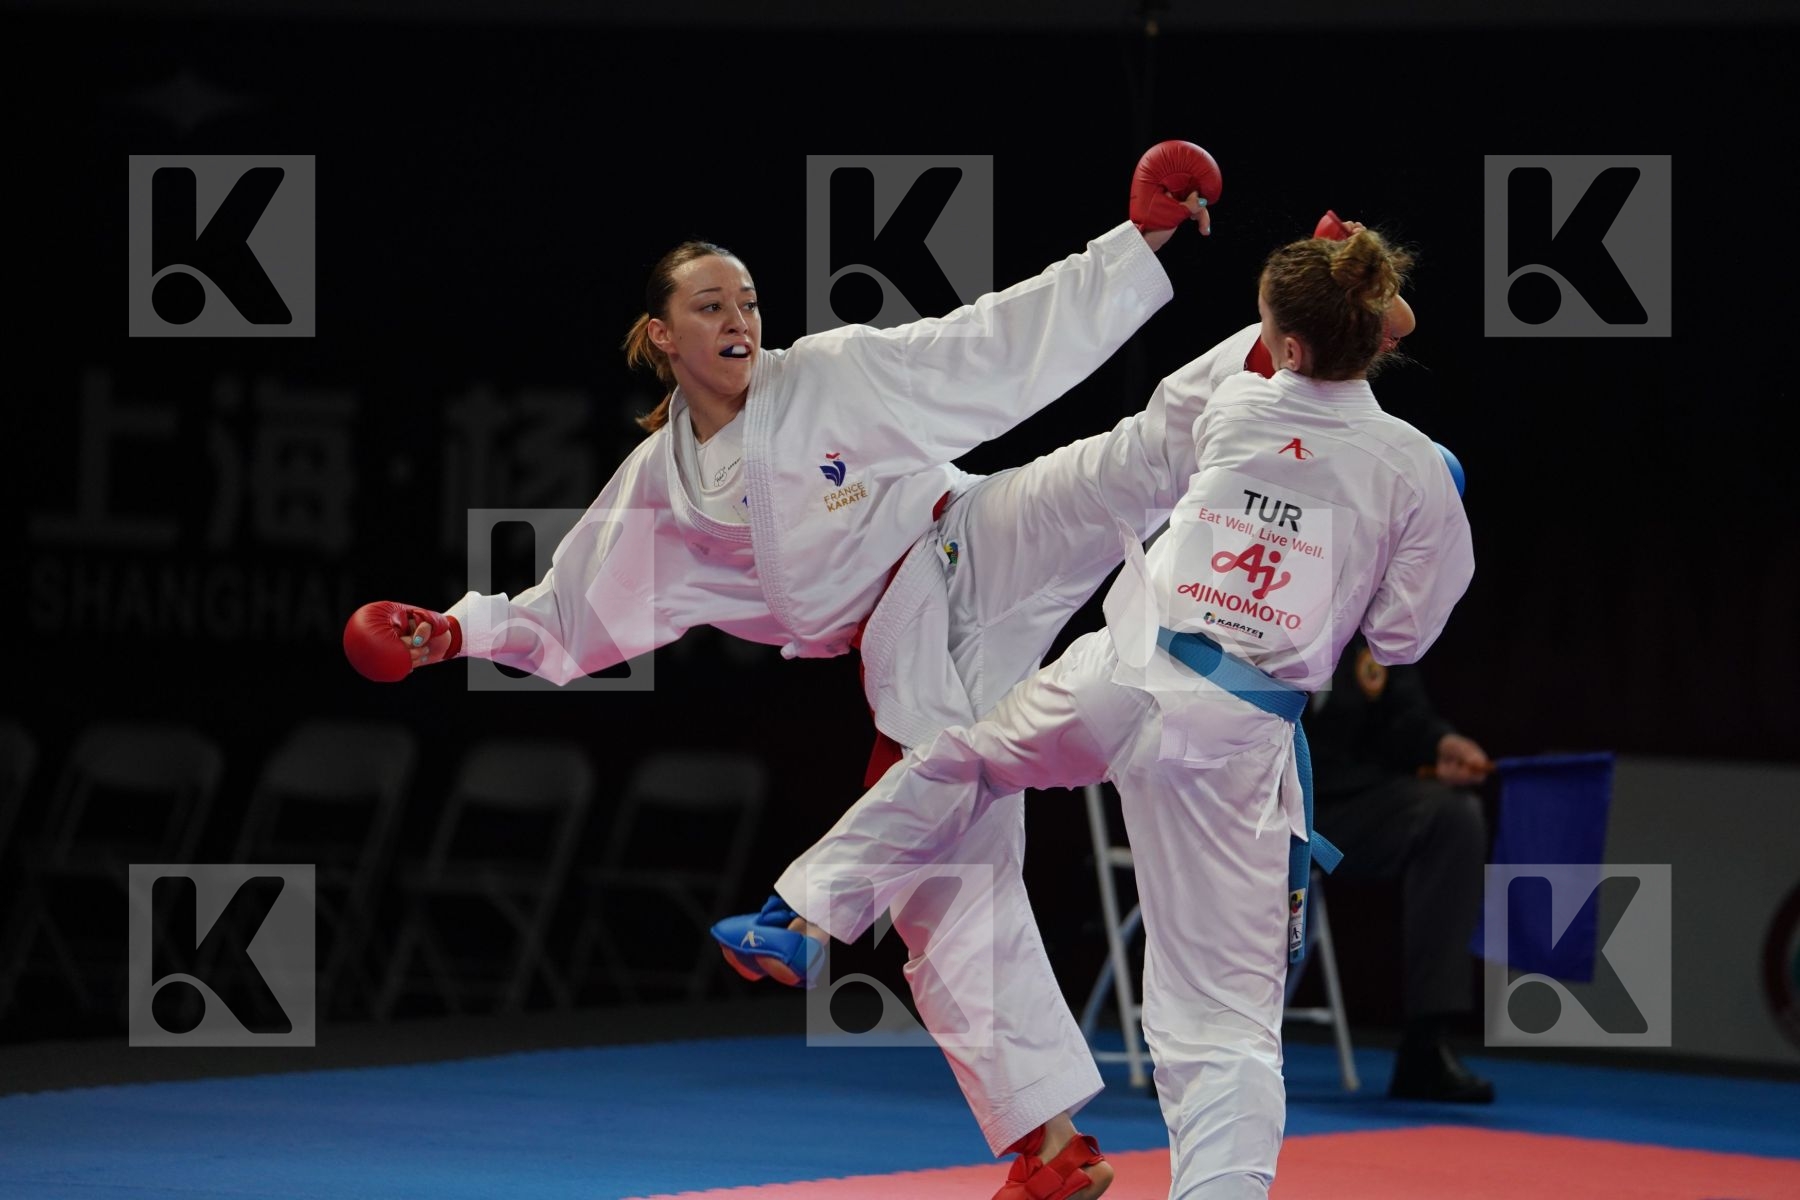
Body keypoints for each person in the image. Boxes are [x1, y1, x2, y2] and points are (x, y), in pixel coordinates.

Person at [345, 144, 1223, 1195]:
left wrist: (1139, 242)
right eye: (711, 305)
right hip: (903, 639)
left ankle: (1298, 343)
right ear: (663, 337)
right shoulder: (661, 487)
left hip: (970, 534)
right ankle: (1049, 1147)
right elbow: (570, 610)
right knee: (948, 883)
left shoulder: (831, 373)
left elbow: (988, 343)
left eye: (750, 301)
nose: (740, 319)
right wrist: (452, 634)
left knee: (1118, 467)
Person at [730, 224, 1473, 1198]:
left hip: (1126, 672)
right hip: (1238, 734)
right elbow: (1406, 638)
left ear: (1283, 340)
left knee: (958, 760)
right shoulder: (1415, 467)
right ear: (1374, 334)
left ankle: (807, 912)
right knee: (1220, 1026)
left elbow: (1166, 439)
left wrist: (1325, 272)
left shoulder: (1231, 397)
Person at [1307, 633, 1495, 1102]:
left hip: (1341, 807)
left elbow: (1404, 715)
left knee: (1453, 817)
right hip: (1248, 794)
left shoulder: (1372, 611)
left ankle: (1425, 1046)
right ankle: (1196, 1048)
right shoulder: (1255, 584)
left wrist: (1439, 745)